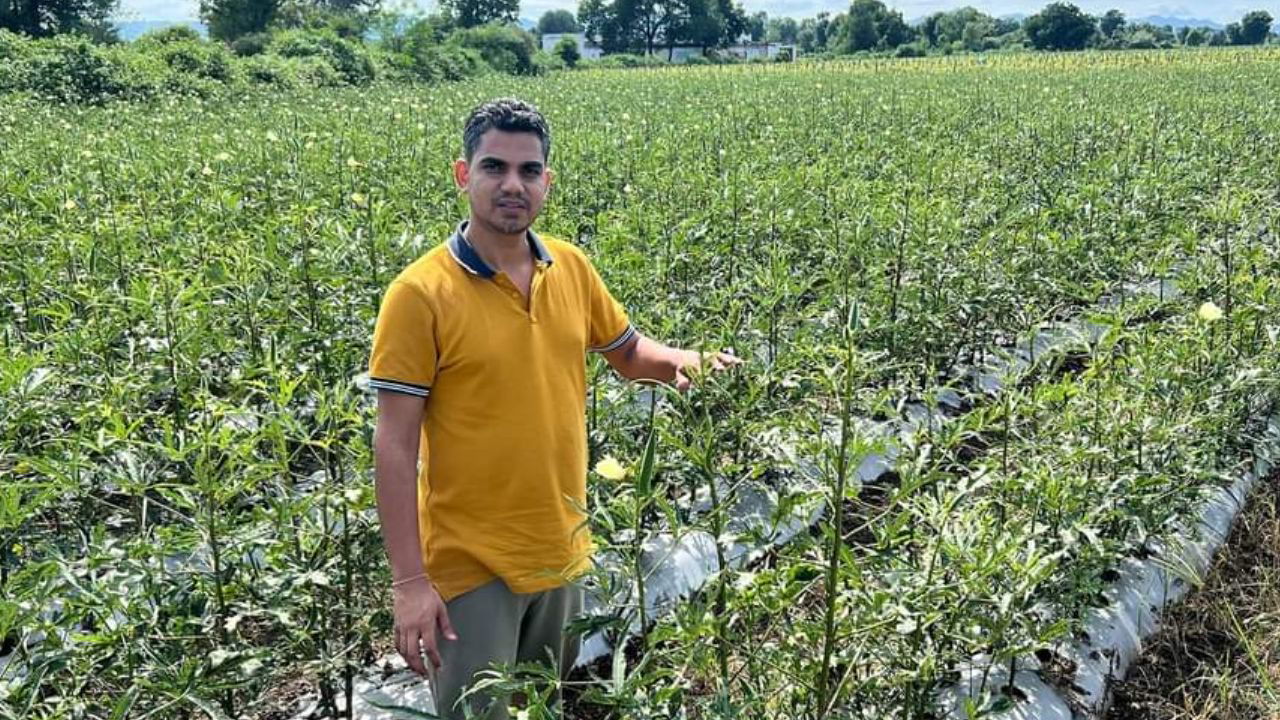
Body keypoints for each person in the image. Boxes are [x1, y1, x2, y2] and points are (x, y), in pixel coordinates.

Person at [368, 97, 739, 720]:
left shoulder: (569, 266)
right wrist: (409, 585)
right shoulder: (419, 294)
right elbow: (395, 443)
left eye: (528, 170)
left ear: (547, 181)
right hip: (470, 564)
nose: (512, 185)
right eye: (494, 167)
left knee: (544, 705)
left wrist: (686, 359)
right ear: (464, 176)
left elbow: (627, 352)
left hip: (561, 547)